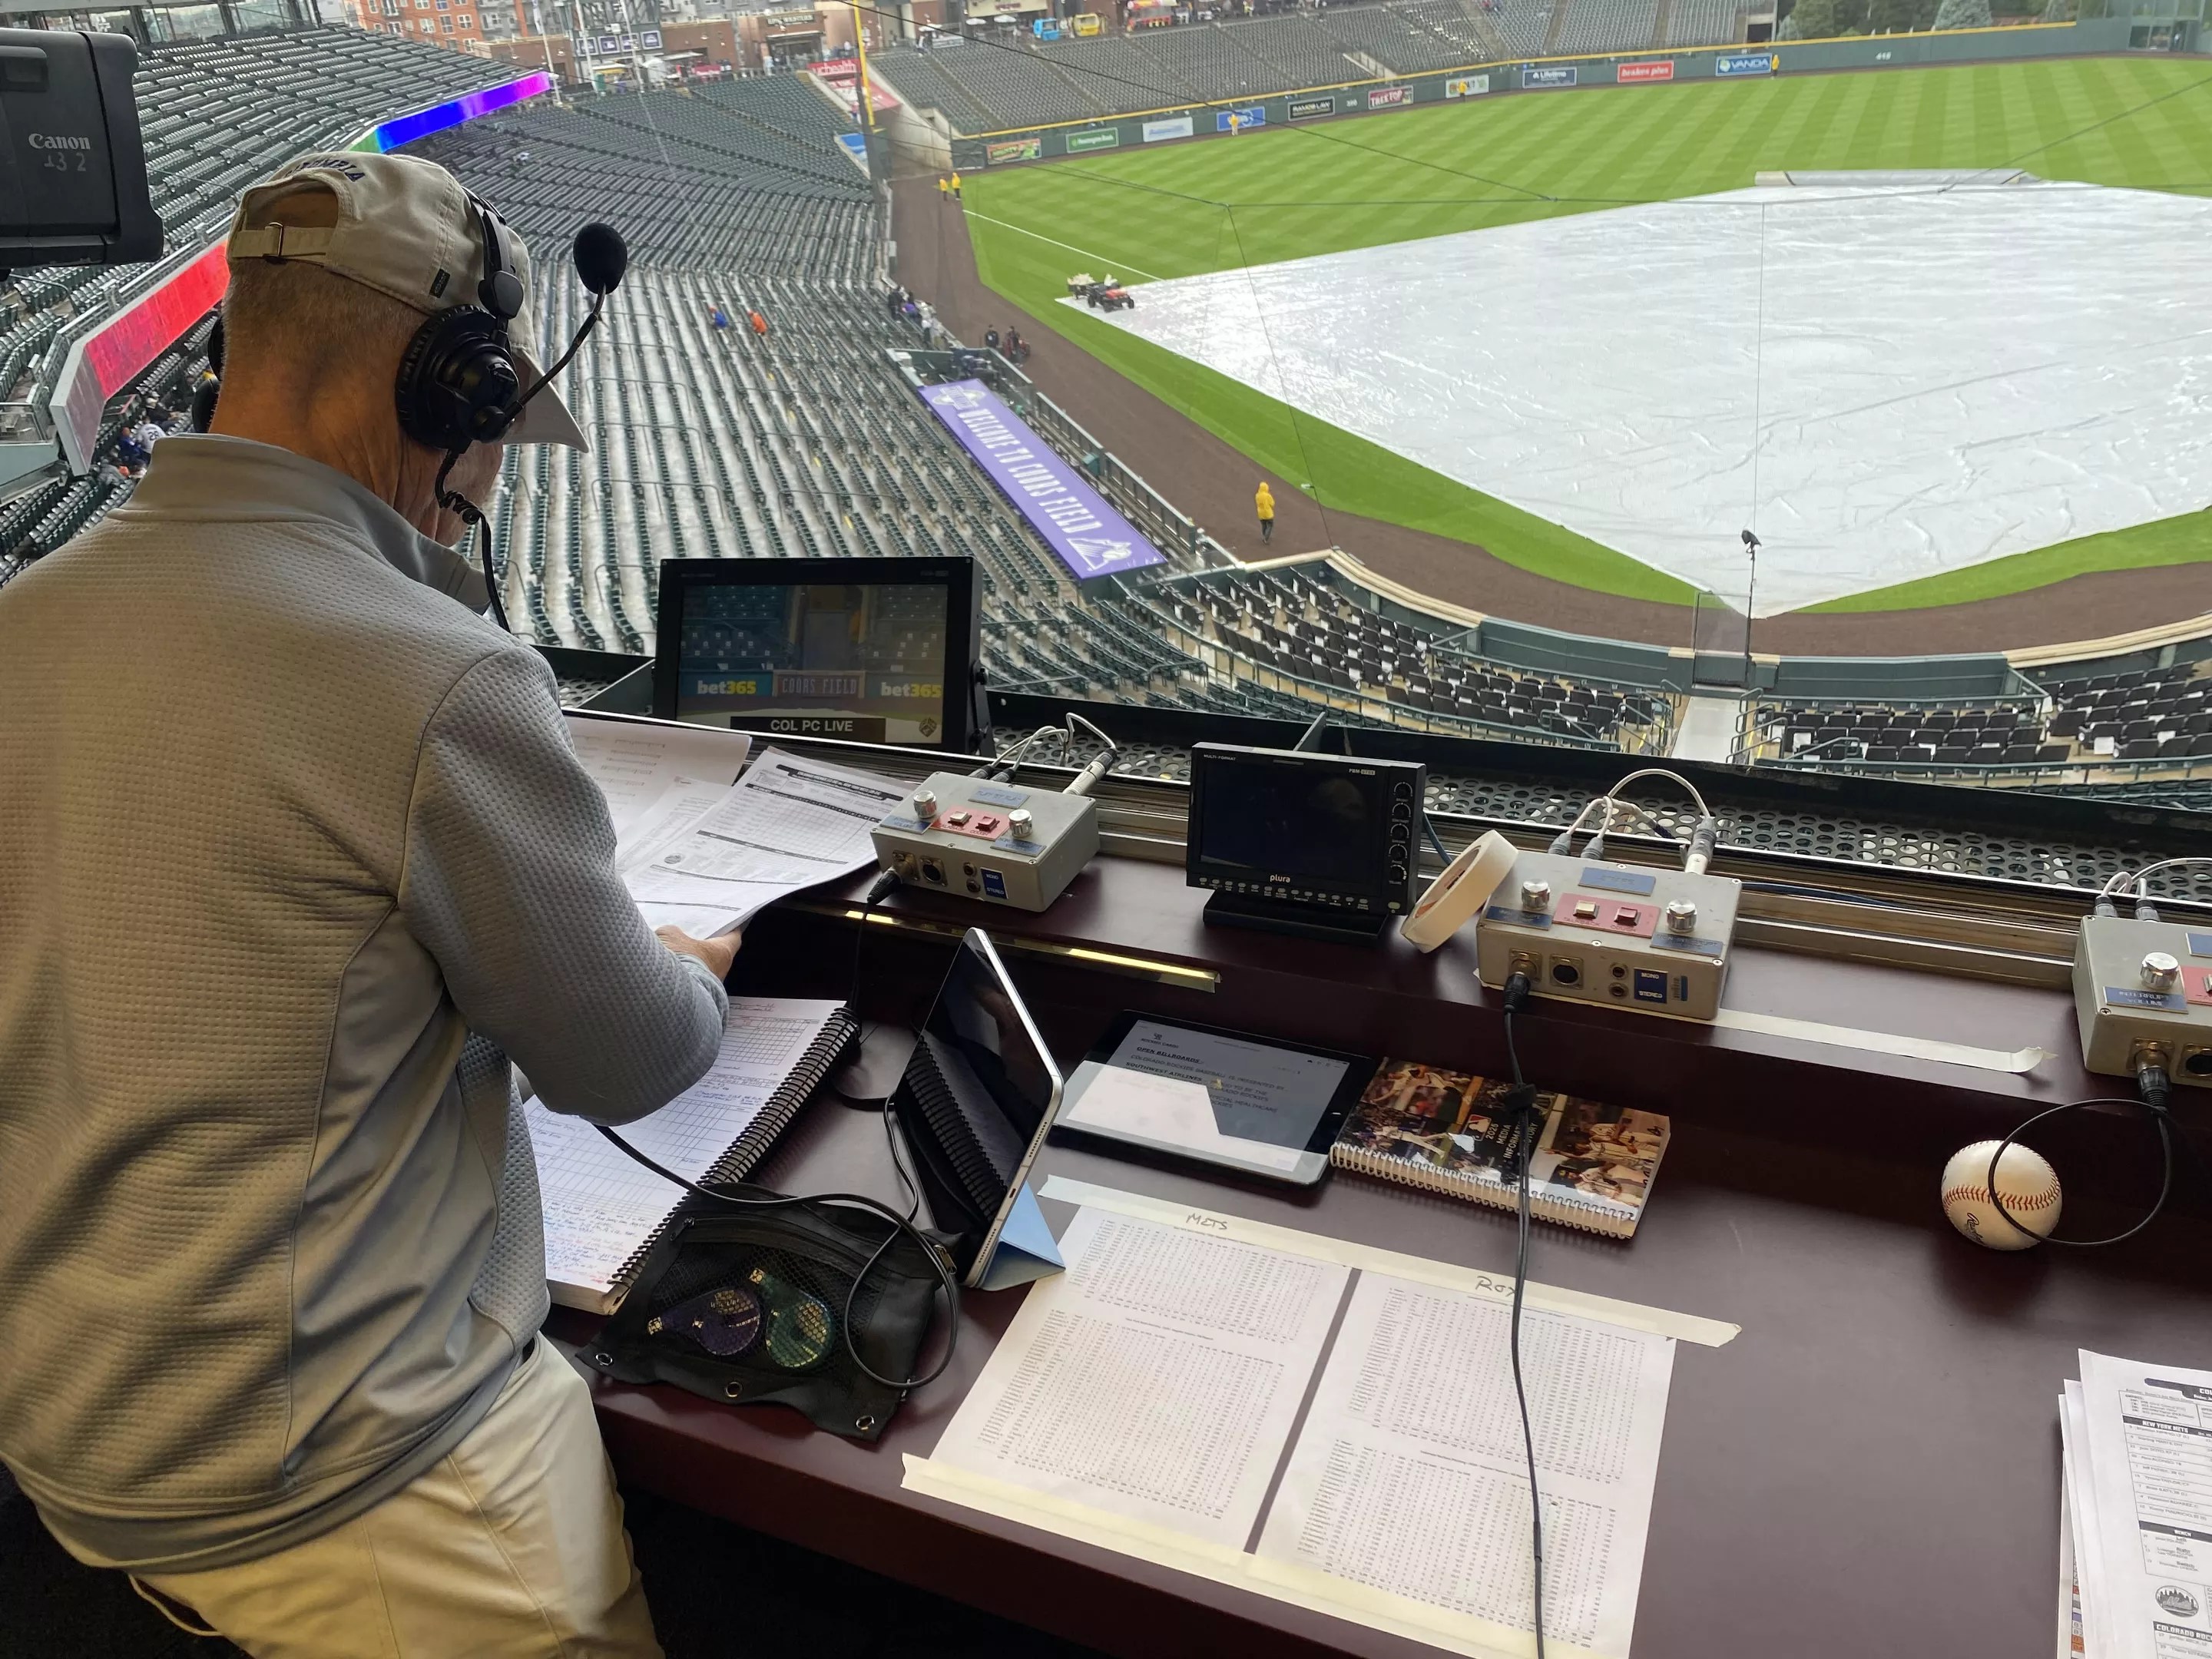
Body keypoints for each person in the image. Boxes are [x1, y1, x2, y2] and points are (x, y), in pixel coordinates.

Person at [0, 151, 736, 1658]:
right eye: (493, 426)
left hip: (74, 1451)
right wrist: (690, 964)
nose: (489, 475)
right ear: (447, 391)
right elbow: (630, 1060)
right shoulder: (427, 671)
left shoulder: (26, 620)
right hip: (375, 1501)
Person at [1255, 477, 1276, 545]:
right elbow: (1272, 503)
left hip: (1260, 513)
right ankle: (1266, 539)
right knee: (1270, 525)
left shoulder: (1257, 495)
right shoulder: (1268, 496)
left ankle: (1264, 535)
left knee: (1264, 525)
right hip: (1268, 513)